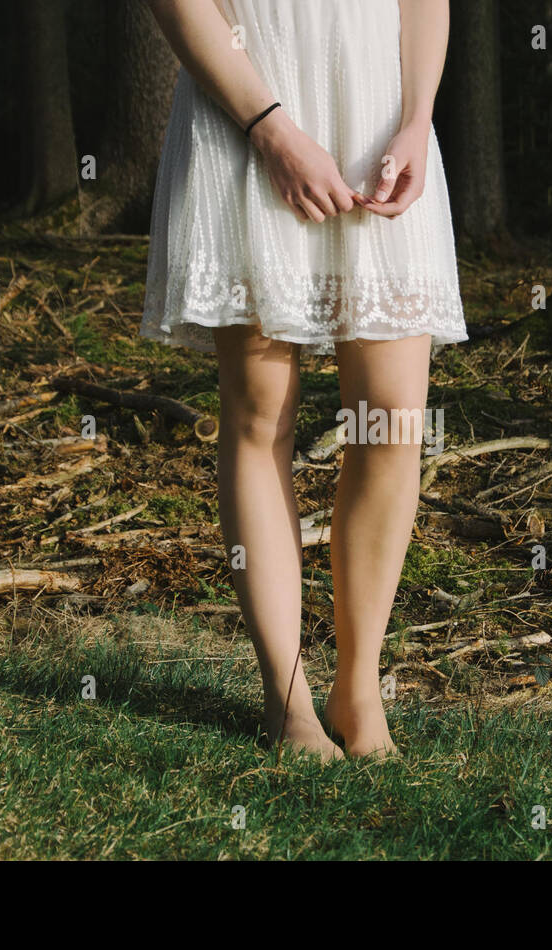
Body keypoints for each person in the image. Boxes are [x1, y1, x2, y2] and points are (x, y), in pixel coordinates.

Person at [142, 0, 467, 759]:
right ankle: (286, 703)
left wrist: (417, 116)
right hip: (250, 110)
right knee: (261, 415)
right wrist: (272, 131)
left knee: (392, 418)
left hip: (377, 114)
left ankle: (358, 691)